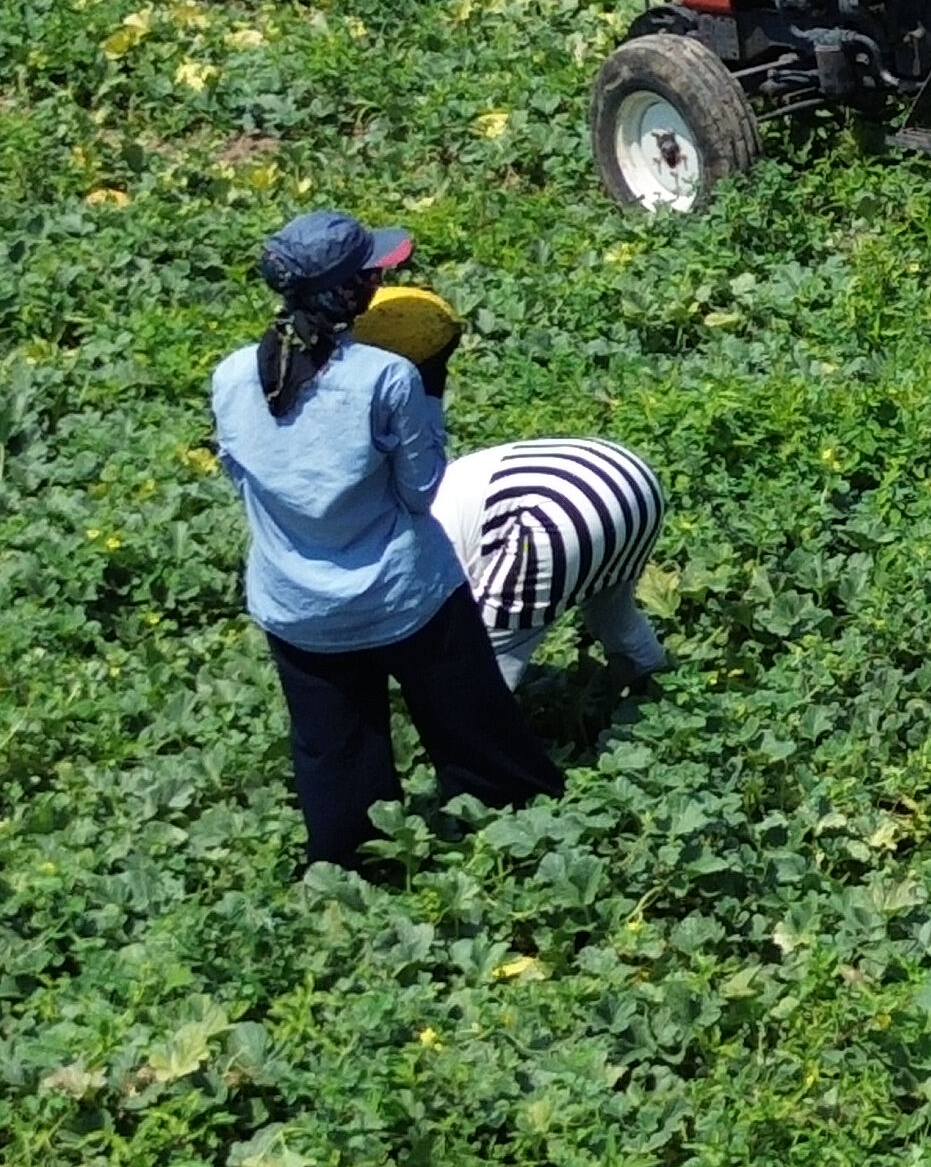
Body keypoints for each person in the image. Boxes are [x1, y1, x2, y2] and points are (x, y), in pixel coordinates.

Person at [209, 211, 563, 871]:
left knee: (333, 747)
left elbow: (240, 471)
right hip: (403, 595)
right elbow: (421, 489)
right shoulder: (386, 377)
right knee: (473, 723)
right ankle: (513, 825)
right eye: (372, 274)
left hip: (297, 609)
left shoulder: (231, 376)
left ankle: (356, 865)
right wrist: (432, 384)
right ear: (353, 294)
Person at [351, 278, 672, 691]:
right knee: (612, 610)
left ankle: (486, 742)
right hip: (630, 476)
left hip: (555, 511)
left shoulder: (405, 547)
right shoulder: (423, 497)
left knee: (483, 661)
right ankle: (657, 685)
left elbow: (443, 619)